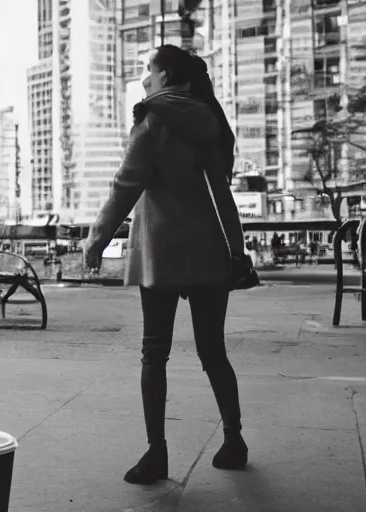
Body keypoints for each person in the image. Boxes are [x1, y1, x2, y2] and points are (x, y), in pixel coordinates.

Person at [84, 45, 248, 485]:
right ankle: (234, 439)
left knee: (154, 355)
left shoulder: (152, 118)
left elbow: (126, 185)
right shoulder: (208, 121)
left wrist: (96, 240)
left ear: (167, 75)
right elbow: (222, 194)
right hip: (209, 253)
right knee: (214, 351)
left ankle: (157, 454)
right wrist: (237, 250)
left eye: (149, 71)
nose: (144, 80)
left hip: (161, 257)